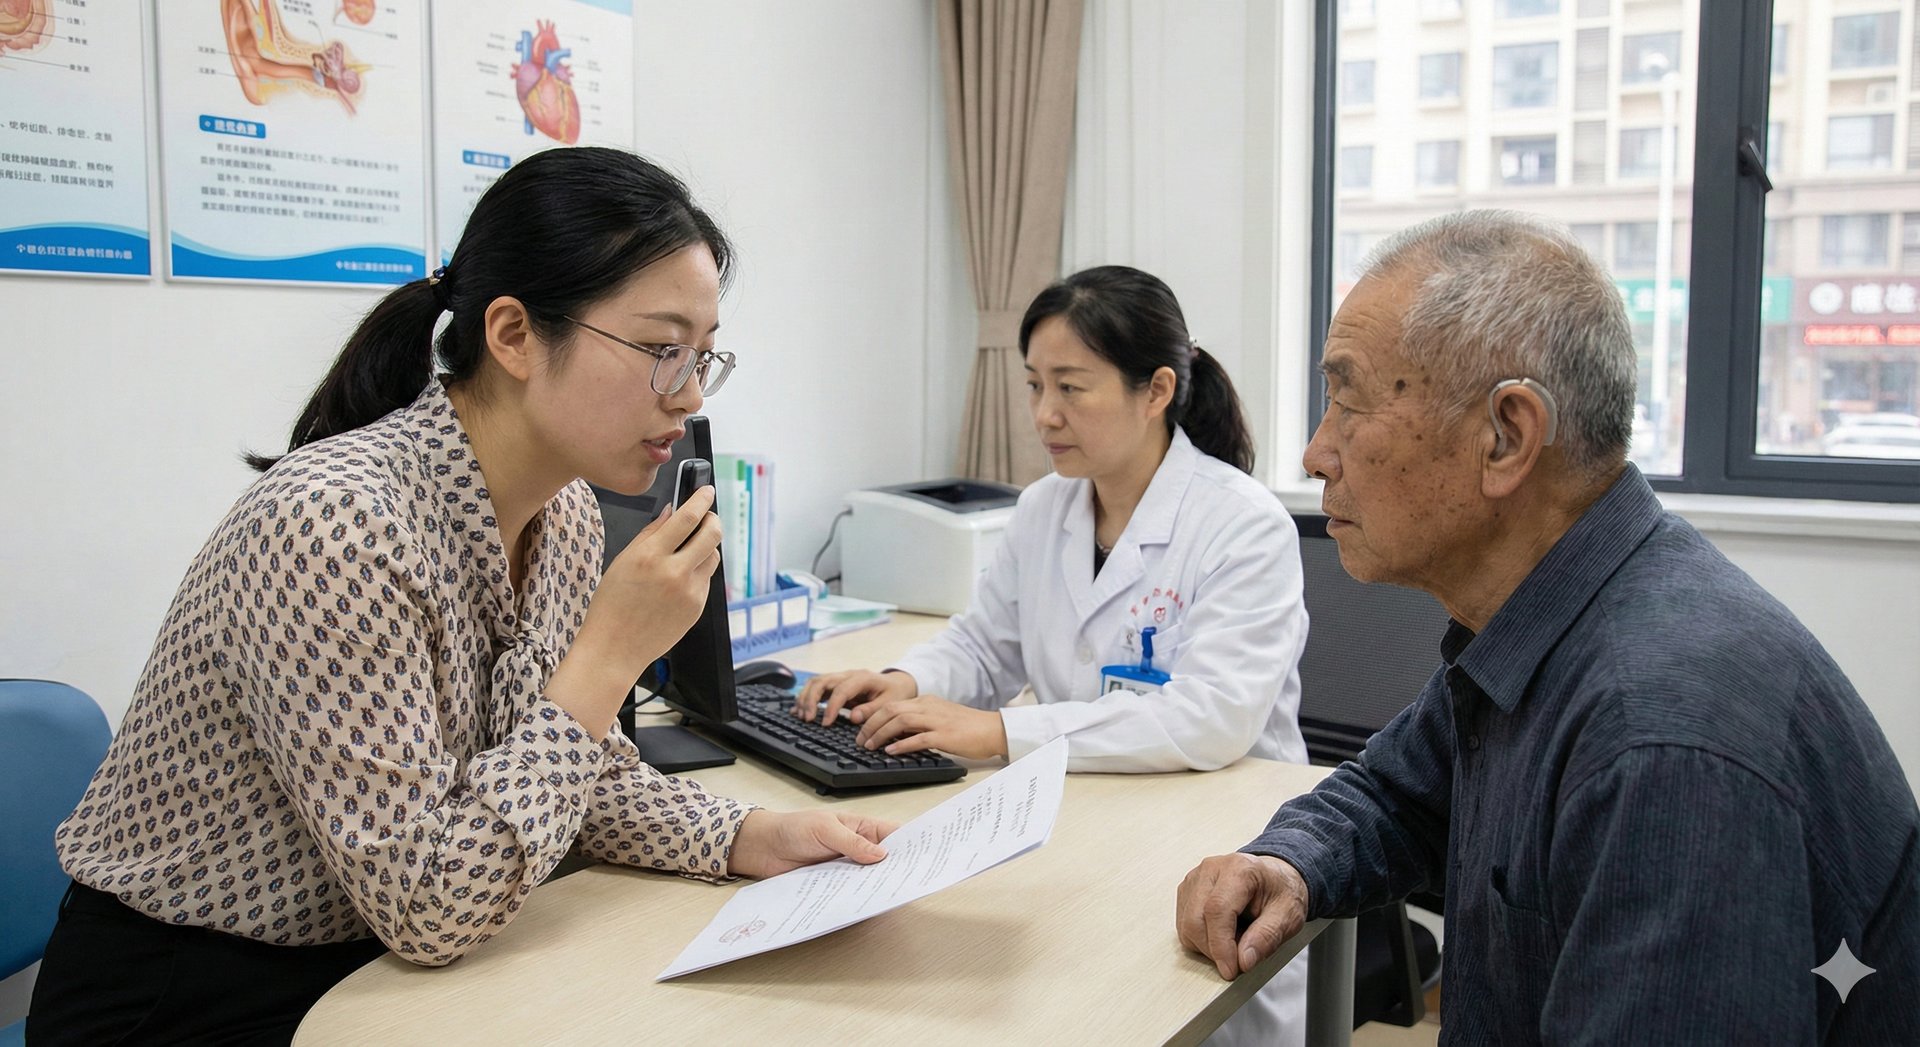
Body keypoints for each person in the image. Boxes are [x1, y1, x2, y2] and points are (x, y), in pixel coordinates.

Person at [28, 147, 896, 1045]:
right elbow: (430, 901)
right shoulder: (334, 524)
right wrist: (609, 653)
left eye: (704, 359)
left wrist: (752, 836)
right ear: (514, 334)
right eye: (660, 349)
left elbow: (567, 775)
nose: (686, 397)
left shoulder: (562, 515)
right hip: (183, 991)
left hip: (375, 962)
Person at [1175, 210, 1920, 1043]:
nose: (1316, 453)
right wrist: (1289, 860)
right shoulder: (1542, 619)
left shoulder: (1663, 738)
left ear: (1506, 437)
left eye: (1347, 402)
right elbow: (1401, 789)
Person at [795, 265, 1311, 1046]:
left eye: (1072, 387)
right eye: (1036, 384)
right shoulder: (1045, 506)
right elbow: (984, 641)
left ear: (1157, 389)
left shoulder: (1242, 524)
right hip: (1085, 821)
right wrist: (904, 680)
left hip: (1211, 838)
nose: (1044, 414)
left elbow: (1212, 719)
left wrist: (998, 733)